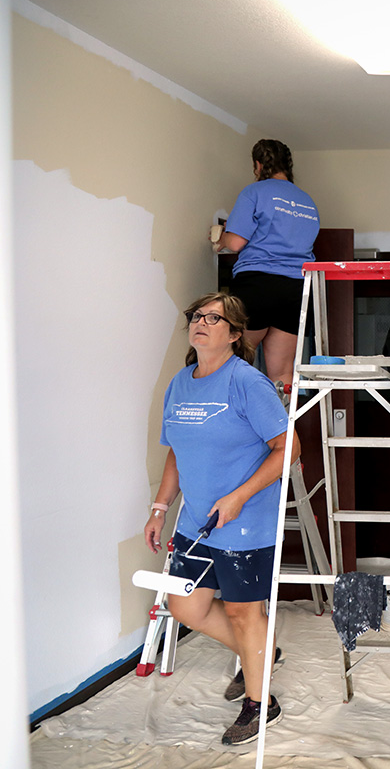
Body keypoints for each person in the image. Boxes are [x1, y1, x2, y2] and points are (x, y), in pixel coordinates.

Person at [143, 292, 294, 745]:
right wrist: (160, 509)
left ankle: (260, 704)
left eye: (214, 318)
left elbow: (288, 448)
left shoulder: (247, 382)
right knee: (185, 606)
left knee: (243, 613)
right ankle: (261, 652)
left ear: (234, 334)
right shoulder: (180, 383)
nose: (201, 323)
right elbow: (176, 450)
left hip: (244, 523)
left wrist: (238, 496)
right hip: (196, 523)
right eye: (197, 316)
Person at [214, 139, 320, 385]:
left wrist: (222, 237)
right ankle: (284, 413)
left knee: (232, 365)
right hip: (296, 289)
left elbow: (236, 243)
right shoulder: (307, 201)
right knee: (282, 376)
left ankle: (229, 412)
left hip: (257, 284)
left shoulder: (254, 192)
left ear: (258, 165)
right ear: (288, 165)